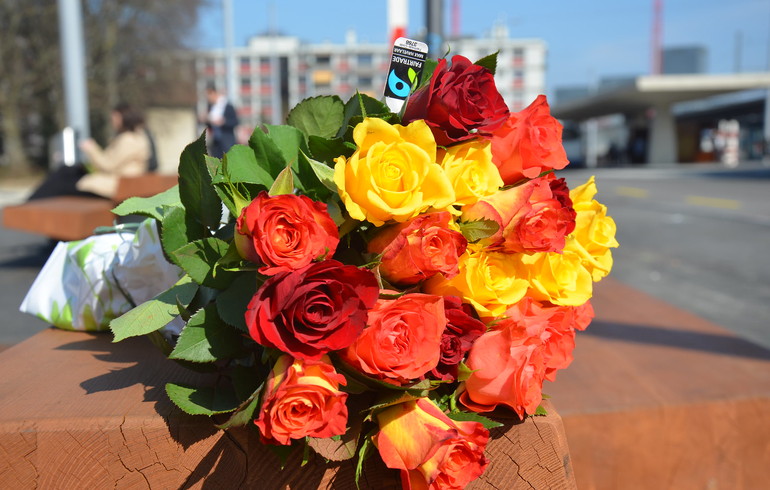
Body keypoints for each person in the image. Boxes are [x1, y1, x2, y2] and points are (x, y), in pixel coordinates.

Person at [28, 103, 151, 201]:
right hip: (116, 184)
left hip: (113, 187)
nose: (112, 121)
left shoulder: (128, 140)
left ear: (125, 117)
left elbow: (108, 166)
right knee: (67, 171)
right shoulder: (133, 137)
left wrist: (91, 148)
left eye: (115, 117)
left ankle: (30, 204)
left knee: (61, 182)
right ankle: (32, 202)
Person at [203, 83, 238, 158]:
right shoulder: (210, 108)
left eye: (208, 95)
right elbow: (210, 126)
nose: (208, 98)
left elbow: (235, 122)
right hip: (215, 143)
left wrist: (223, 122)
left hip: (227, 142)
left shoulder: (228, 107)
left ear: (213, 93)